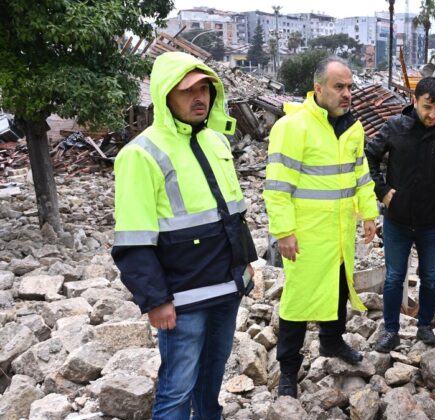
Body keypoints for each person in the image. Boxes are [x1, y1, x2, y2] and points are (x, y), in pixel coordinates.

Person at [111, 51, 258, 419]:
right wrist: (155, 299)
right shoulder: (141, 154)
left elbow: (234, 213)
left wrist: (245, 265)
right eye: (187, 91)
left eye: (206, 88)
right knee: (177, 389)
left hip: (226, 286)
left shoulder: (216, 142)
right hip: (183, 295)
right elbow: (132, 239)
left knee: (212, 377)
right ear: (165, 95)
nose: (200, 98)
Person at [263, 56, 379, 398]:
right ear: (318, 89)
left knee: (338, 289)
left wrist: (369, 214)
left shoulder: (352, 128)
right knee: (298, 302)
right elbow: (278, 185)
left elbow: (361, 176)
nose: (346, 94)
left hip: (340, 231)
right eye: (338, 87)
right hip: (306, 235)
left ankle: (331, 342)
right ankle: (288, 370)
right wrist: (283, 232)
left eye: (349, 87)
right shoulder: (293, 127)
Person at [365, 77, 435, 353]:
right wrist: (382, 190)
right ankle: (390, 330)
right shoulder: (396, 127)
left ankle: (425, 326)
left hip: (433, 222)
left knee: (431, 277)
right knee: (393, 277)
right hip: (398, 219)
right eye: (427, 107)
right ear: (414, 101)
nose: (433, 114)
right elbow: (369, 156)